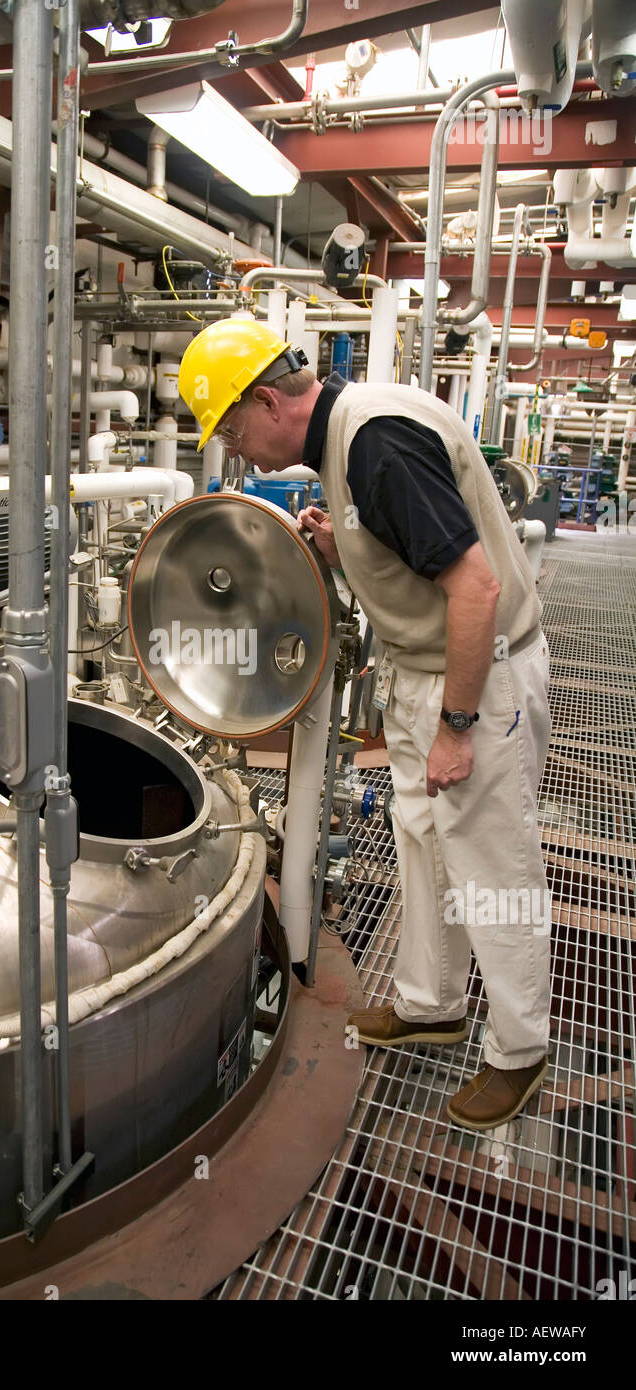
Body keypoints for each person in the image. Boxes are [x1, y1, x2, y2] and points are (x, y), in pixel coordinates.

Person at [177, 318, 552, 1132]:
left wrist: (457, 725)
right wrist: (341, 544)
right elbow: (412, 549)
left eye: (234, 431)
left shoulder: (375, 443)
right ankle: (431, 1004)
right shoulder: (350, 444)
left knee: (492, 863)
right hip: (424, 675)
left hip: (475, 681)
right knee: (423, 839)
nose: (238, 452)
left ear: (270, 401)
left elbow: (476, 590)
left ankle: (520, 1052)